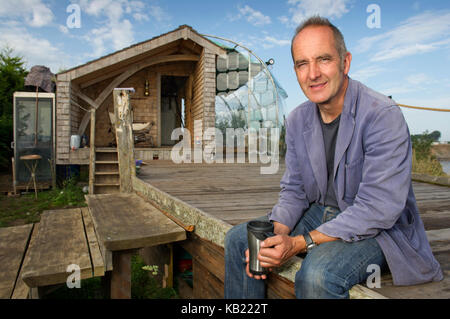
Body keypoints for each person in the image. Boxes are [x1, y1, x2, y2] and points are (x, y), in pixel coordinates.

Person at [224, 16, 443, 299]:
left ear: (345, 62)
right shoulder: (297, 119)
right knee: (240, 240)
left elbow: (378, 209)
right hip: (319, 211)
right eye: (303, 63)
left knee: (317, 276)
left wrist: (299, 243)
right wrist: (277, 231)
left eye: (323, 59)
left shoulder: (382, 115)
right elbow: (295, 190)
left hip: (380, 229)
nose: (313, 73)